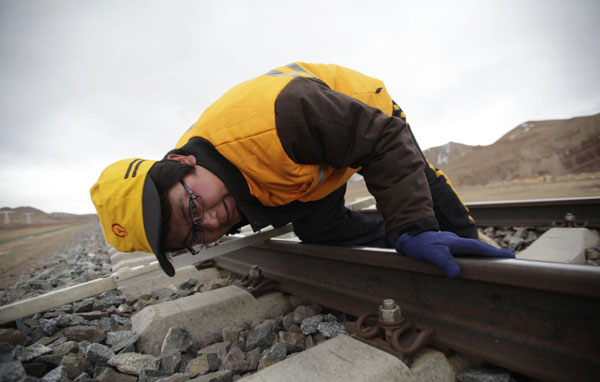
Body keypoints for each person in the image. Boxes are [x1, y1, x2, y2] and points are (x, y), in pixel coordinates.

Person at [90, 62, 513, 278]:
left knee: (417, 190)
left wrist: (414, 225)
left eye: (193, 208)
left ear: (181, 162)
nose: (213, 222)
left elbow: (383, 141)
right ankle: (399, 237)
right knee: (320, 232)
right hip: (305, 166)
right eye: (197, 236)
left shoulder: (277, 118)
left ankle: (467, 238)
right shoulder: (214, 174)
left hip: (365, 117)